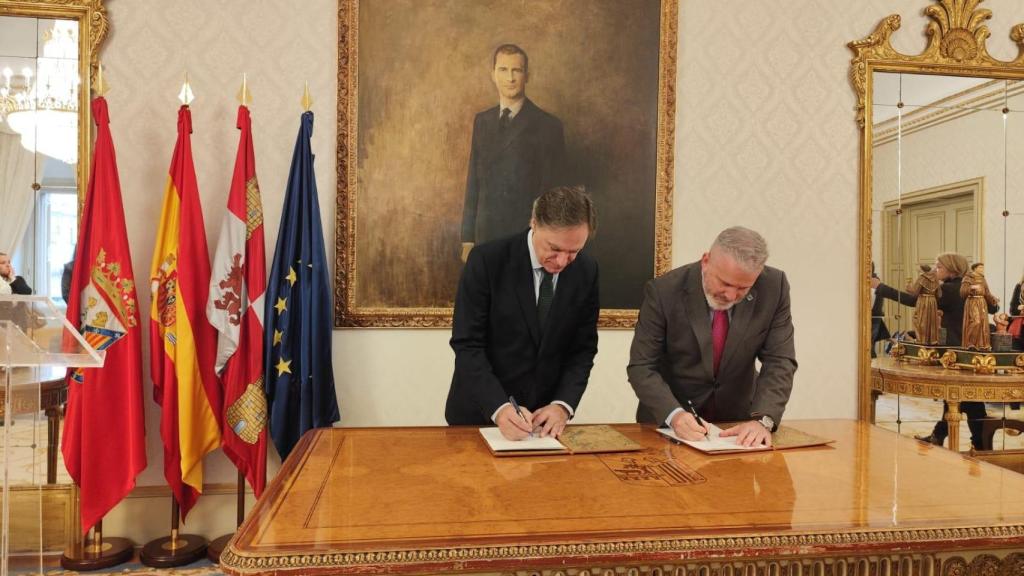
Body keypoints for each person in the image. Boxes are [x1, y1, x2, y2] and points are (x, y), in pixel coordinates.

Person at [446, 185, 599, 440]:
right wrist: (499, 407)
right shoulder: (487, 261)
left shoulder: (587, 270)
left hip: (542, 426)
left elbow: (582, 350)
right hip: (478, 417)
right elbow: (467, 344)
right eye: (554, 248)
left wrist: (562, 405)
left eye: (573, 251)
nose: (562, 261)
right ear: (534, 223)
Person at [627, 226, 797, 448]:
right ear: (706, 261)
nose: (731, 295)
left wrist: (762, 420)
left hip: (737, 427)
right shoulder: (664, 291)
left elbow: (780, 360)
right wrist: (674, 415)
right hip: (670, 425)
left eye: (743, 288)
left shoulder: (774, 287)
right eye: (725, 283)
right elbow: (641, 366)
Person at [872, 253, 997, 448]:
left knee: (968, 401)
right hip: (972, 348)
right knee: (962, 399)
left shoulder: (948, 289)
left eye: (939, 266)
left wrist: (880, 287)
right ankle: (946, 437)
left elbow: (914, 301)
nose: (935, 269)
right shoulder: (965, 286)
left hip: (956, 350)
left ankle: (979, 444)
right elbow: (993, 309)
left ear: (952, 269)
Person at [460, 44, 568, 262]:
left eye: (516, 71)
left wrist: (544, 240)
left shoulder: (548, 125)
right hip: (485, 236)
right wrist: (467, 238)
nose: (510, 78)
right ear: (493, 75)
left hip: (526, 237)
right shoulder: (482, 121)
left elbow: (551, 192)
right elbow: (474, 182)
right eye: (503, 70)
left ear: (527, 76)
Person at [960, 262, 998, 350]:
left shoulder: (982, 279)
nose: (982, 270)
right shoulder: (968, 278)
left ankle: (981, 344)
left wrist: (993, 300)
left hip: (982, 302)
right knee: (975, 321)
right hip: (972, 301)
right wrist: (972, 288)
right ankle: (970, 342)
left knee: (983, 324)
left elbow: (987, 292)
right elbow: (962, 292)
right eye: (980, 268)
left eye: (982, 268)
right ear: (975, 268)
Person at [870, 262, 891, 357]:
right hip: (875, 318)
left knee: (868, 348)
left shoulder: (873, 282)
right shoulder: (876, 281)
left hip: (872, 319)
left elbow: (870, 303)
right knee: (870, 347)